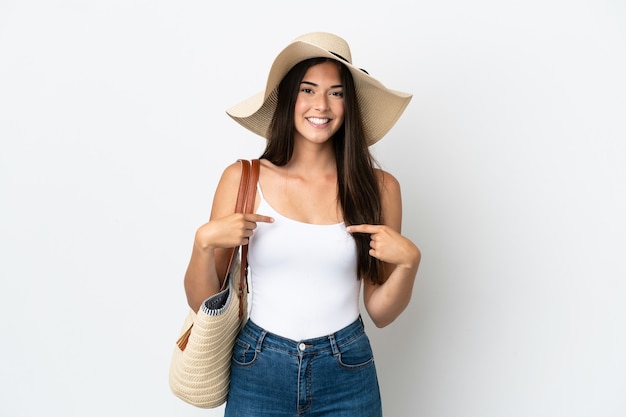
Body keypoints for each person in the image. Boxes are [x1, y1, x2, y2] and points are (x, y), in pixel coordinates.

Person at [183, 32, 421, 416]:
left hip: (347, 370)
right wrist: (202, 244)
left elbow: (380, 311)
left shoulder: (380, 189)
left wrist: (410, 263)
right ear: (289, 99)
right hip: (258, 365)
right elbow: (202, 303)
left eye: (336, 92)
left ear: (350, 104)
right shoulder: (243, 178)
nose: (321, 105)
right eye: (308, 90)